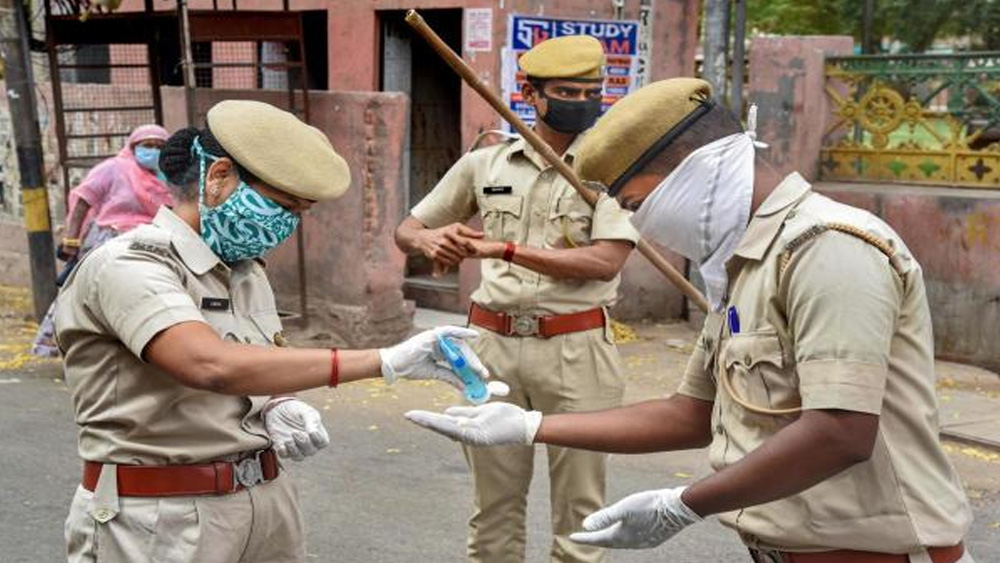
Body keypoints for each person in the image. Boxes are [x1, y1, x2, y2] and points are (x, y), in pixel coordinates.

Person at [406, 78, 977, 563]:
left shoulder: (828, 249)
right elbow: (689, 414)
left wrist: (684, 504)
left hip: (879, 553)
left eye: (634, 203)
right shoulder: (743, 265)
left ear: (691, 173)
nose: (639, 222)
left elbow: (840, 432)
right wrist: (530, 426)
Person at [56, 100, 489, 563]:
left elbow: (251, 363)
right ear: (219, 177)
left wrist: (279, 405)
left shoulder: (243, 270)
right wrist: (380, 361)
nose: (288, 223)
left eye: (301, 211)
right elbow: (210, 364)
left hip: (263, 503)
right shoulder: (130, 265)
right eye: (282, 205)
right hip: (160, 515)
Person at [394, 35, 639, 563]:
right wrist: (430, 240)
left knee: (582, 514)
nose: (582, 101)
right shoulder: (487, 163)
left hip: (578, 351)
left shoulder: (611, 169)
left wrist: (503, 247)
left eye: (591, 91)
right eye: (567, 91)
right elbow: (408, 229)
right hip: (491, 348)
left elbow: (605, 261)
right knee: (493, 508)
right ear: (532, 93)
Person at [32, 124, 173, 357]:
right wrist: (71, 239)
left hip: (151, 242)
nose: (154, 152)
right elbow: (83, 200)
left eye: (160, 147)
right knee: (86, 291)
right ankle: (70, 344)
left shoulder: (167, 177)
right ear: (133, 147)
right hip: (110, 239)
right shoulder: (114, 168)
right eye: (147, 146)